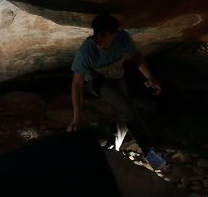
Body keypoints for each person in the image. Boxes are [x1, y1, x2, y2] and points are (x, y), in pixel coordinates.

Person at [68, 13, 167, 170]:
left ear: (114, 34)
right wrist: (77, 116)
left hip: (117, 77)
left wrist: (151, 77)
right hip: (97, 81)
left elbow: (136, 57)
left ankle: (115, 145)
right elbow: (77, 83)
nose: (97, 38)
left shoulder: (123, 39)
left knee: (123, 112)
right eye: (96, 34)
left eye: (102, 35)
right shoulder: (87, 50)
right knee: (126, 107)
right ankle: (148, 149)